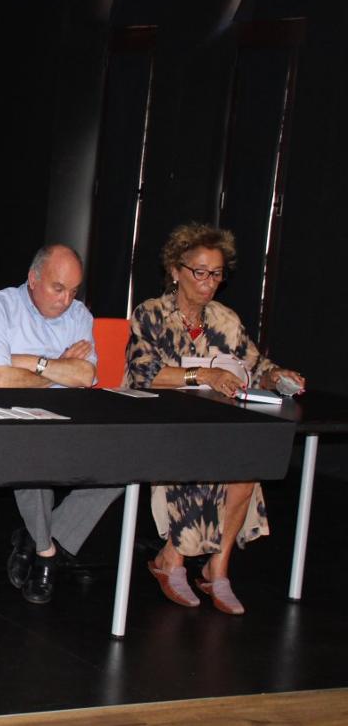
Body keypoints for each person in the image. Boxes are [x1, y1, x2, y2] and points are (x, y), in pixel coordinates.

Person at [124, 223, 305, 615]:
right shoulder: (151, 314)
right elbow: (142, 373)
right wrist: (202, 375)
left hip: (216, 425)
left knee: (246, 467)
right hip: (163, 424)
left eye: (217, 274)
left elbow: (257, 366)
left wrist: (279, 377)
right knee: (214, 456)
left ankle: (216, 568)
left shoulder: (226, 320)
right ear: (176, 270)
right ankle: (171, 559)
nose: (209, 283)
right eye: (200, 272)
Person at [0, 244, 121, 604]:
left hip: (68, 418)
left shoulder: (80, 315)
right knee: (37, 452)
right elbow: (3, 382)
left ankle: (39, 536)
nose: (66, 300)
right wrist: (58, 366)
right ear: (33, 278)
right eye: (58, 288)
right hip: (7, 418)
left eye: (74, 291)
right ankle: (45, 553)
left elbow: (86, 375)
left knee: (123, 465)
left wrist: (30, 362)